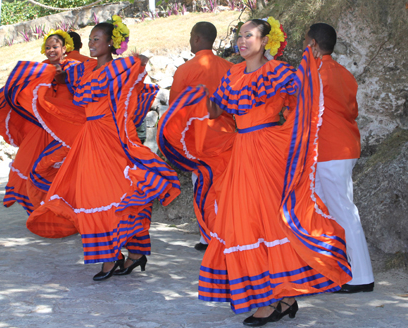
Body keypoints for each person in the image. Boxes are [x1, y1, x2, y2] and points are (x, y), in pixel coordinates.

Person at [158, 17, 352, 326]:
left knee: (270, 220)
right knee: (245, 221)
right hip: (242, 151)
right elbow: (217, 110)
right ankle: (277, 297)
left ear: (265, 42)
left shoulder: (277, 72)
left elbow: (300, 101)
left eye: (249, 35)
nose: (242, 40)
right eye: (240, 35)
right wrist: (202, 100)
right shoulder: (233, 73)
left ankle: (275, 299)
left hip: (269, 152)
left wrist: (286, 130)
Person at [26, 17, 180, 281]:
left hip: (112, 138)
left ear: (111, 43)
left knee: (119, 194)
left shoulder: (119, 69)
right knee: (93, 197)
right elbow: (73, 83)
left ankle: (130, 253)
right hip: (91, 138)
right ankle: (119, 255)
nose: (91, 43)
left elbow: (139, 63)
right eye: (90, 39)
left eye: (97, 39)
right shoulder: (86, 72)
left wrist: (135, 58)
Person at [0, 30, 85, 215]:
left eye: (55, 47)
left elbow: (74, 82)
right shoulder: (42, 67)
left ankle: (66, 206)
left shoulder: (73, 65)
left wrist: (59, 76)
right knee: (29, 162)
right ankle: (41, 206)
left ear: (64, 48)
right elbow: (24, 83)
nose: (51, 50)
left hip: (66, 126)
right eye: (48, 47)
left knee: (62, 166)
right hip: (42, 127)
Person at [303, 23, 374, 293]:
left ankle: (361, 277)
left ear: (312, 46)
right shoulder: (345, 73)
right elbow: (351, 110)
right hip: (343, 147)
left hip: (330, 151)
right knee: (322, 209)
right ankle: (326, 267)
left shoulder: (317, 74)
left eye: (305, 44)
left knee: (343, 211)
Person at [169, 21, 235, 251]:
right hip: (227, 137)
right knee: (226, 188)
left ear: (197, 38)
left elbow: (173, 109)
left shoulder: (185, 70)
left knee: (203, 188)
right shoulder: (230, 67)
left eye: (190, 36)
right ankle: (226, 234)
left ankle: (209, 238)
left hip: (199, 141)